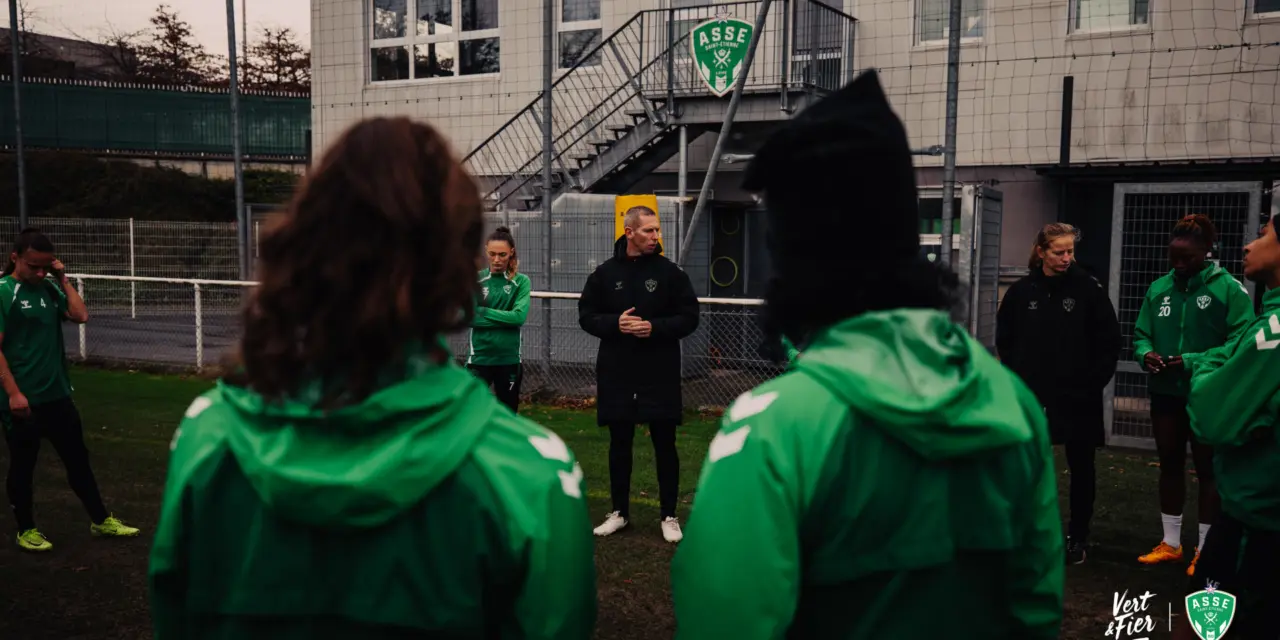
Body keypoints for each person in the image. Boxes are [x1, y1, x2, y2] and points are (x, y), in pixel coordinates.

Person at [148, 117, 596, 639]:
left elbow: (173, 615)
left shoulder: (207, 436)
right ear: (457, 262)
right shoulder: (530, 471)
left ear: (302, 244)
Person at [671, 70, 1064, 638]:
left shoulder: (777, 426)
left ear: (795, 256)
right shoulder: (1011, 401)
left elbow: (725, 620)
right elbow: (1035, 604)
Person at [1172, 215, 1280, 640]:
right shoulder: (1267, 320)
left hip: (1257, 523)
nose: (1250, 245)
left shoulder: (1272, 328)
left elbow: (1213, 415)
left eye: (1264, 234)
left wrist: (1206, 375)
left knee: (1198, 630)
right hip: (1253, 517)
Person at [1, 229, 140, 552]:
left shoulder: (49, 286)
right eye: (34, 265)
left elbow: (80, 315)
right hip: (22, 398)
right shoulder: (3, 292)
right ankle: (26, 529)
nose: (40, 272)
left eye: (46, 266)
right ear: (14, 258)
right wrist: (13, 393)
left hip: (58, 395)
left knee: (78, 460)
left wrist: (61, 278)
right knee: (24, 464)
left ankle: (100, 520)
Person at [1132, 214, 1254, 575]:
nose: (1180, 264)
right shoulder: (1158, 289)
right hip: (1165, 392)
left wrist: (1192, 361)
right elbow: (1141, 334)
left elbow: (1240, 341)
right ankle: (1171, 544)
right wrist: (1145, 355)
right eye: (1174, 258)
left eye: (1187, 258)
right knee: (1169, 462)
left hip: (1209, 393)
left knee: (1208, 470)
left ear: (1207, 252)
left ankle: (1205, 549)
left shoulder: (1228, 289)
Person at [996, 222, 1122, 565]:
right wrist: (1019, 381)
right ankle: (1027, 531)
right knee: (1027, 463)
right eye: (1059, 251)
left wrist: (1090, 383)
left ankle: (1077, 537)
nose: (1067, 258)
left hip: (1077, 396)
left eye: (1070, 251)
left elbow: (1109, 342)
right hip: (1032, 395)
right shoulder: (1022, 292)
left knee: (1082, 466)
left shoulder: (1088, 289)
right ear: (1041, 252)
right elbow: (1005, 340)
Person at [578, 205, 699, 543]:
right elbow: (586, 316)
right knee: (620, 442)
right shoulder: (604, 274)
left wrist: (654, 328)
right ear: (629, 232)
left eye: (657, 231)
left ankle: (669, 515)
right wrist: (613, 323)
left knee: (665, 443)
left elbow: (690, 317)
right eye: (648, 231)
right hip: (617, 372)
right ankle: (619, 512)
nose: (655, 237)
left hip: (658, 373)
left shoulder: (670, 274)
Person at [468, 226, 532, 413]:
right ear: (486, 250)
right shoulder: (475, 280)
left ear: (511, 252)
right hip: (479, 359)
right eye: (493, 254)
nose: (497, 260)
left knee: (507, 415)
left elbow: (518, 317)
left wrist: (483, 311)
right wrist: (505, 317)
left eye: (502, 255)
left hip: (509, 360)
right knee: (471, 414)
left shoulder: (521, 281)